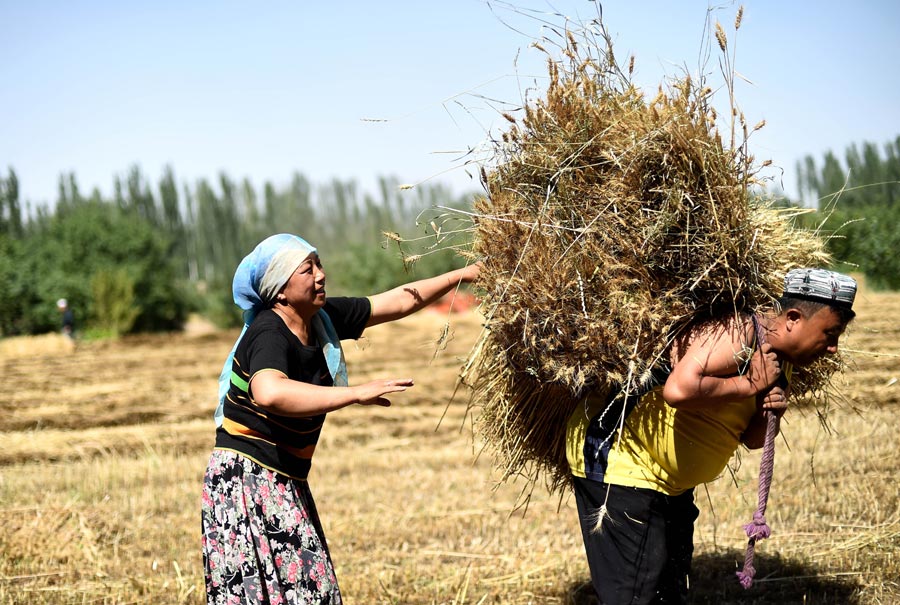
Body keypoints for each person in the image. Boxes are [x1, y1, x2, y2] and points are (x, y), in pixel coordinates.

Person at [201, 233, 479, 604]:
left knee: (306, 590)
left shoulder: (322, 318)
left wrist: (464, 274)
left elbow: (396, 301)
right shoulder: (269, 331)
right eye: (307, 269)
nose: (320, 275)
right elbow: (269, 391)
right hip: (248, 480)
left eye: (319, 263)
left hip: (283, 476)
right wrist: (353, 393)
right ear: (280, 291)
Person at [566, 268, 857, 604]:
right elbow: (678, 389)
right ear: (793, 318)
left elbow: (751, 439)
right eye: (830, 333)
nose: (833, 347)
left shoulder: (780, 363)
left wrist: (771, 409)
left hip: (667, 483)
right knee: (634, 597)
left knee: (667, 594)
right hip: (622, 465)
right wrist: (748, 385)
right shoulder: (741, 331)